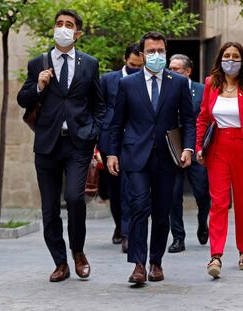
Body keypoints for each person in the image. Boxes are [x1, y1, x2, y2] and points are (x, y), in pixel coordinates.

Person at [17, 9, 105, 282]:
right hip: (47, 144)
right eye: (59, 24)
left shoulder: (89, 63)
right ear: (53, 29)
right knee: (49, 208)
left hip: (78, 143)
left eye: (68, 25)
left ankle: (78, 251)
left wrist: (94, 132)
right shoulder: (38, 63)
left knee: (76, 199)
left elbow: (98, 105)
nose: (63, 28)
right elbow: (23, 99)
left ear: (77, 32)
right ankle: (60, 262)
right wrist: (39, 86)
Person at [107, 31, 195, 284]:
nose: (156, 55)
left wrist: (188, 147)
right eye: (151, 51)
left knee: (161, 211)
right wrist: (112, 153)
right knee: (139, 207)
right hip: (135, 156)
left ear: (165, 53)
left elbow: (188, 120)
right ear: (143, 54)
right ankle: (137, 265)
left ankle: (156, 261)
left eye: (160, 51)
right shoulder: (127, 84)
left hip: (167, 157)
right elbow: (117, 122)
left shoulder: (177, 83)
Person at [195, 41, 243, 279]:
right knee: (218, 202)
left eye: (235, 56)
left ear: (242, 60)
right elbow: (203, 118)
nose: (231, 60)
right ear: (220, 59)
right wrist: (199, 146)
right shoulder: (211, 84)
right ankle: (215, 255)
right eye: (226, 56)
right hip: (218, 148)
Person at [98, 43, 144, 253]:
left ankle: (127, 233)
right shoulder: (108, 79)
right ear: (125, 59)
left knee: (130, 189)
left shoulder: (145, 79)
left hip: (134, 141)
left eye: (139, 65)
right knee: (114, 191)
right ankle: (119, 225)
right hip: (110, 141)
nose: (136, 68)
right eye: (132, 64)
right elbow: (99, 108)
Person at [167, 54, 211, 253]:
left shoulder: (202, 91)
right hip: (173, 151)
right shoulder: (164, 90)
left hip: (196, 150)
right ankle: (178, 238)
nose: (171, 72)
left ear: (188, 71)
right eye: (170, 68)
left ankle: (203, 222)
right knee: (173, 196)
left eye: (176, 69)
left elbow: (209, 120)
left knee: (202, 193)